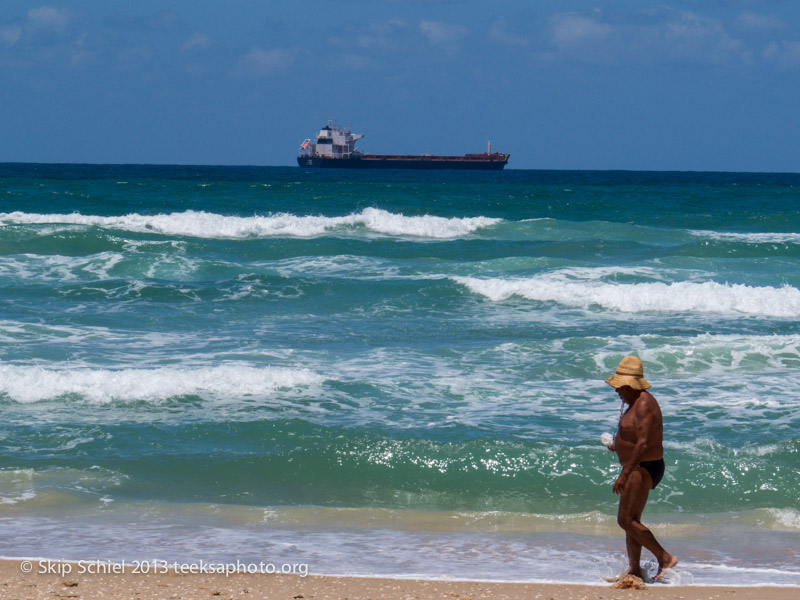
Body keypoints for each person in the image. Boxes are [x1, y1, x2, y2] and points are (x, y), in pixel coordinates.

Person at [605, 355, 678, 581]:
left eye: (619, 386)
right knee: (631, 520)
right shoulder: (633, 403)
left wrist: (624, 473)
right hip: (636, 465)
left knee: (625, 520)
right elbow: (632, 437)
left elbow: (644, 442)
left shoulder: (644, 403)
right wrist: (616, 445)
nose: (617, 391)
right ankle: (635, 571)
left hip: (643, 467)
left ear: (630, 385)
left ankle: (664, 557)